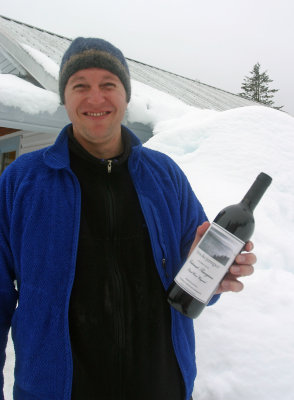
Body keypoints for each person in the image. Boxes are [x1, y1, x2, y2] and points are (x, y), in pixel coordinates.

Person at [0, 37, 256, 400]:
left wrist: (208, 277)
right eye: (80, 86)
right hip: (57, 390)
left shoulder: (165, 176)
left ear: (126, 95)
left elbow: (195, 285)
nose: (95, 98)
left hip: (160, 386)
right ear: (64, 97)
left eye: (108, 85)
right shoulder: (21, 182)